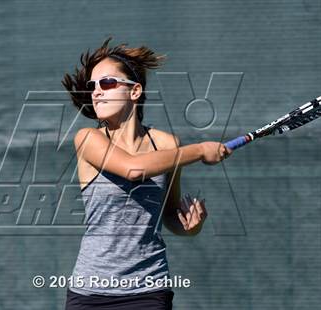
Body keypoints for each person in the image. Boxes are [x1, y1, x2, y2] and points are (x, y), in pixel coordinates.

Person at [61, 37, 232, 310]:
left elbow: (169, 215)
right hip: (90, 293)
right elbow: (132, 169)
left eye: (106, 83)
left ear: (135, 91)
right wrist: (200, 150)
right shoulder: (87, 139)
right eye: (93, 86)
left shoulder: (167, 145)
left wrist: (190, 226)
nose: (96, 92)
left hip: (149, 290)